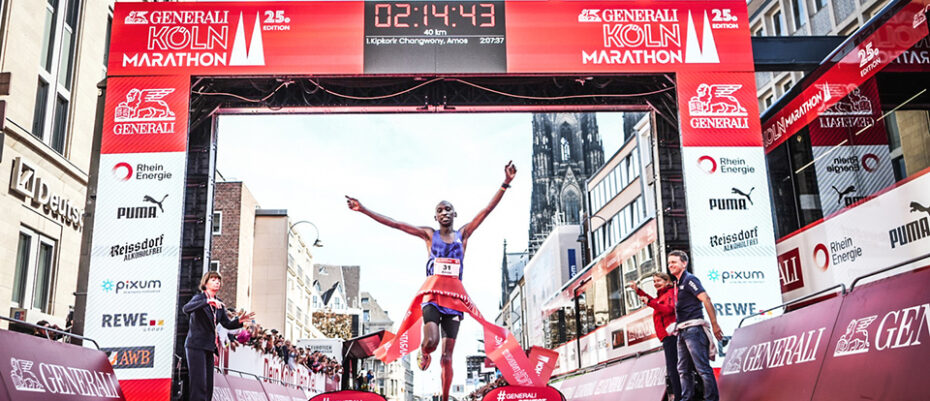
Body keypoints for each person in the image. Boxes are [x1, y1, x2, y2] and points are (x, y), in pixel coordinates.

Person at [346, 161, 517, 401]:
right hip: (433, 296)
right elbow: (396, 223)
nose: (445, 212)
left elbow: (486, 211)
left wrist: (505, 183)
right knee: (431, 342)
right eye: (440, 210)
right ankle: (424, 353)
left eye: (449, 209)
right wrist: (363, 209)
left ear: (455, 214)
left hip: (455, 299)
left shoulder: (463, 234)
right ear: (435, 216)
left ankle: (445, 399)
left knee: (447, 357)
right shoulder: (429, 235)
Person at [183, 271, 255, 401]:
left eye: (218, 280)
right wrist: (207, 302)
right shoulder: (200, 298)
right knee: (199, 383)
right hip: (196, 345)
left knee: (208, 384)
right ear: (205, 283)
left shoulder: (219, 303)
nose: (217, 282)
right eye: (213, 280)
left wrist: (239, 321)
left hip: (209, 347)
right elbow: (186, 308)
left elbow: (227, 324)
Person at [667, 250, 723, 401]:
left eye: (674, 262)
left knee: (702, 368)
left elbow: (706, 299)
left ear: (684, 263)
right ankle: (687, 398)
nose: (670, 265)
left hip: (694, 330)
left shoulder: (690, 279)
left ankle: (711, 398)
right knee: (683, 370)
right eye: (669, 263)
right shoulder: (678, 284)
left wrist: (715, 324)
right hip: (682, 331)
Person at [629, 271, 681, 400]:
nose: (655, 283)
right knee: (673, 368)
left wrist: (649, 302)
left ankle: (680, 396)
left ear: (667, 281)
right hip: (667, 336)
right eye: (654, 281)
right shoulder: (662, 295)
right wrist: (638, 291)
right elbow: (654, 302)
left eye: (658, 281)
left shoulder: (670, 293)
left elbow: (668, 309)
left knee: (674, 368)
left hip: (671, 335)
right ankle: (679, 395)